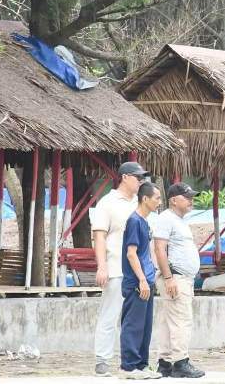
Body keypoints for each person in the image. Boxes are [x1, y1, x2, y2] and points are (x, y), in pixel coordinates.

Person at [90, 161, 150, 377]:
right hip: (116, 267)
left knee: (135, 319)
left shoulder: (141, 203)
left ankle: (133, 360)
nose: (140, 181)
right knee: (110, 313)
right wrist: (102, 266)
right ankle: (102, 358)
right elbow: (99, 235)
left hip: (139, 271)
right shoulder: (107, 203)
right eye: (137, 177)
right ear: (125, 177)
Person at [153, 182, 205, 379]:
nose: (191, 201)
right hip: (175, 277)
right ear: (174, 200)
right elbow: (159, 249)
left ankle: (165, 362)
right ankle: (181, 362)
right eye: (187, 197)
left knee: (168, 322)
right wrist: (169, 277)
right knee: (182, 321)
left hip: (181, 277)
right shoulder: (167, 218)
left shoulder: (179, 220)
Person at [119, 182, 162, 379]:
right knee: (133, 324)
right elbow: (131, 254)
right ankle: (128, 366)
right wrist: (142, 280)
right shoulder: (135, 221)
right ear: (145, 199)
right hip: (137, 282)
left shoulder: (144, 221)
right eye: (157, 198)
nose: (159, 202)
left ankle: (141, 365)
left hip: (147, 280)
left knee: (145, 326)